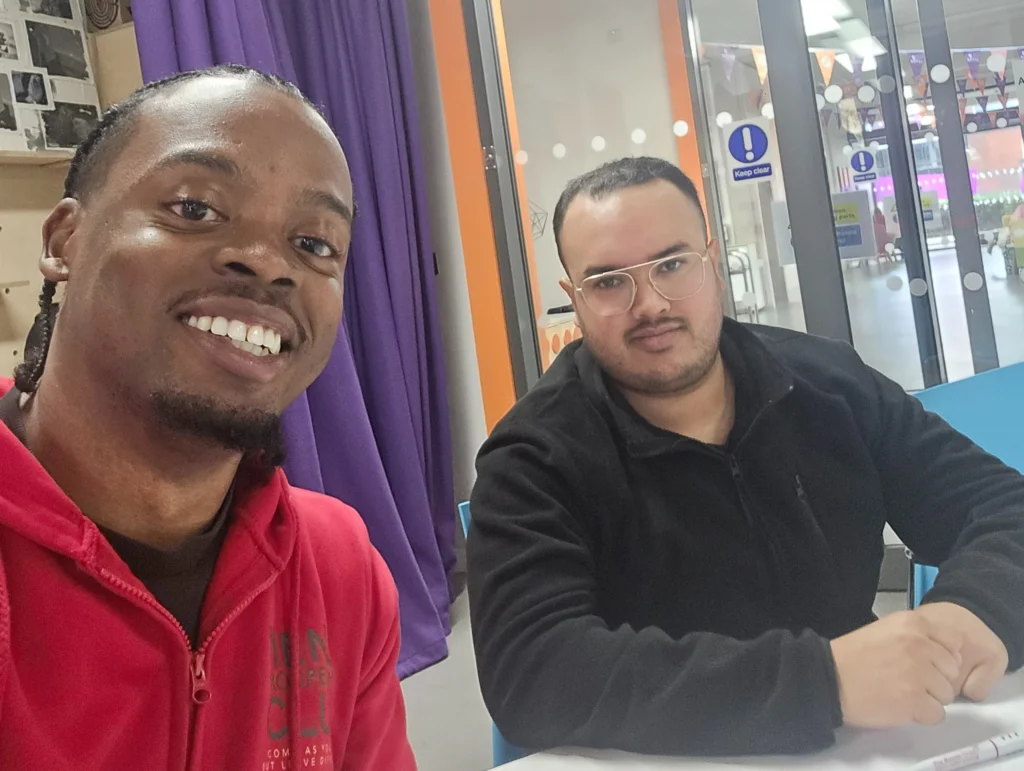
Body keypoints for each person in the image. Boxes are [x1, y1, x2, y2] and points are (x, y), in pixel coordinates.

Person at [468, 156, 1024, 757]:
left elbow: (1004, 509)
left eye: (672, 264)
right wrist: (824, 680)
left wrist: (974, 611)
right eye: (608, 282)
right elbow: (533, 671)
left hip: (865, 744)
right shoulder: (531, 460)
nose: (650, 304)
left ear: (712, 262)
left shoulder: (829, 385)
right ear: (572, 298)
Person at [0, 65, 416, 770]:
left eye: (314, 244)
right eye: (194, 207)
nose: (266, 263)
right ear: (64, 241)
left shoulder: (341, 570)